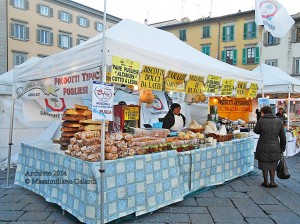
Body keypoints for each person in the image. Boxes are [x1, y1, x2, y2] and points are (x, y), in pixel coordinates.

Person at [254, 106, 286, 188]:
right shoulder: (279, 122)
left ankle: (265, 181)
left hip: (263, 146)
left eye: (261, 112)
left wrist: (259, 119)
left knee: (263, 163)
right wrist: (282, 148)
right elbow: (283, 137)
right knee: (273, 164)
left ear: (264, 112)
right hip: (275, 146)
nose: (260, 114)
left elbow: (256, 131)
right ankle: (272, 182)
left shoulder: (261, 121)